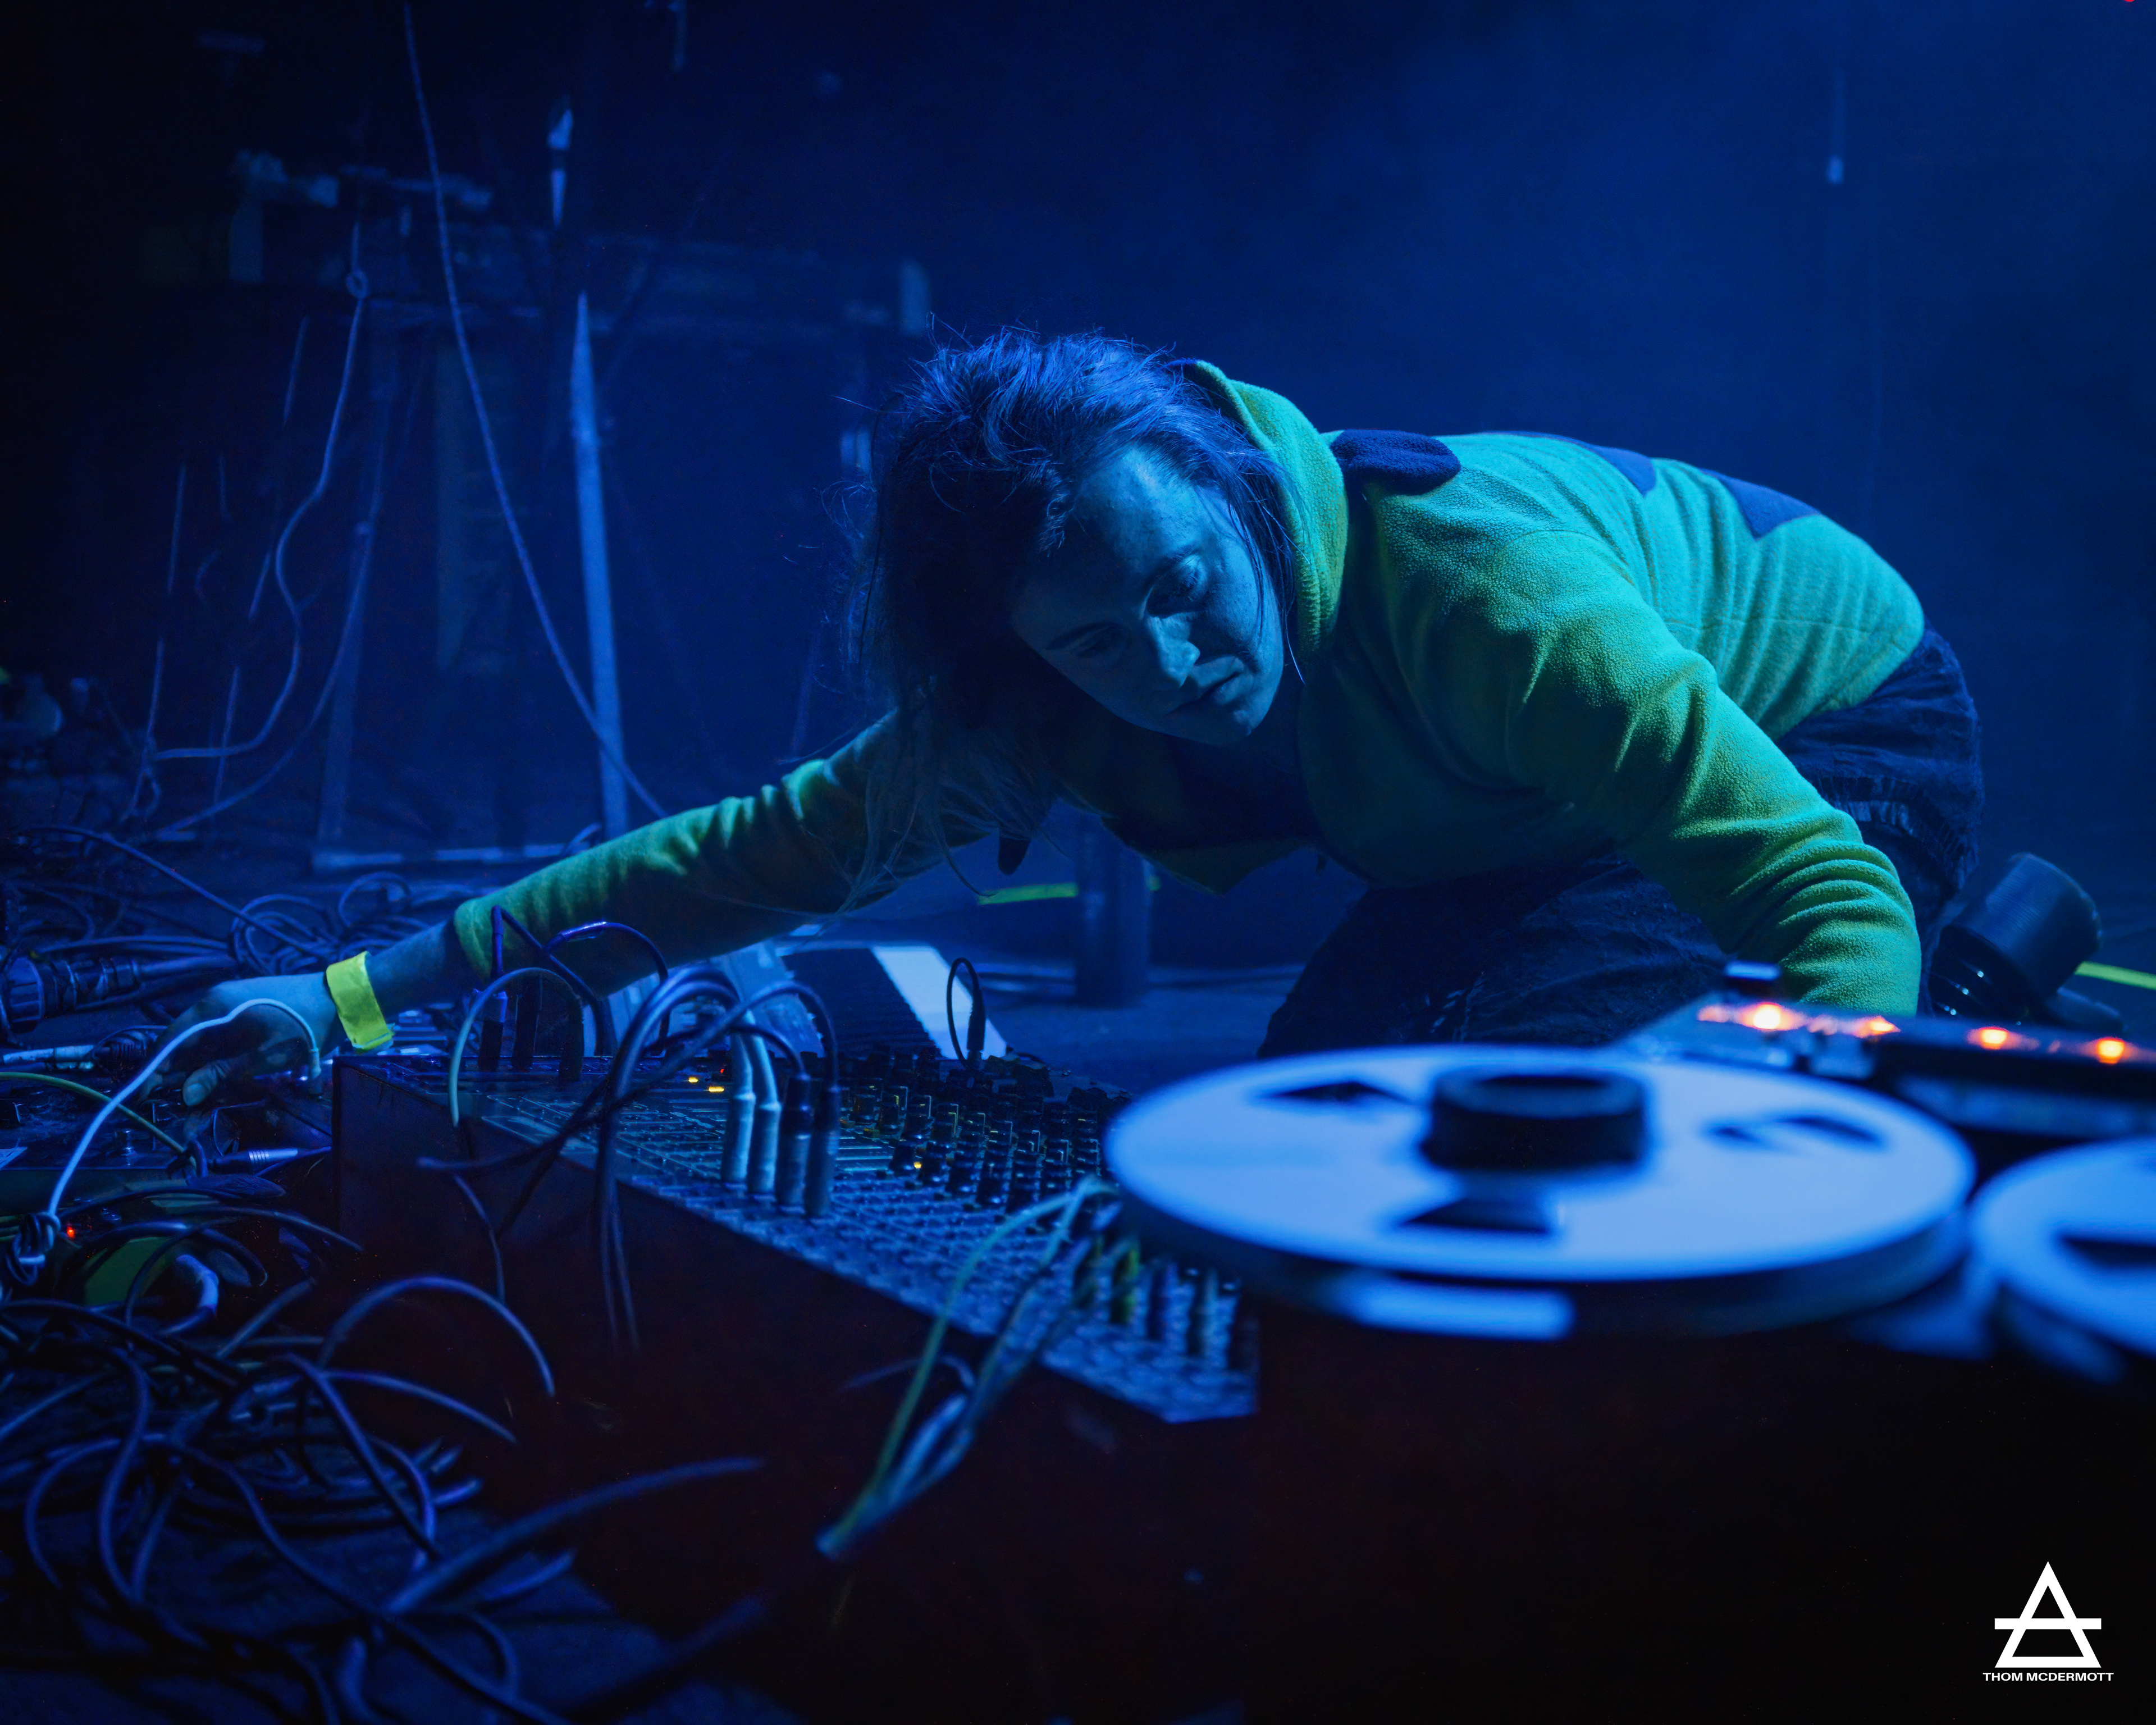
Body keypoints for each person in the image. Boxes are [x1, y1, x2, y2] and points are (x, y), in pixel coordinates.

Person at [162, 329, 1981, 1099]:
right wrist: (351, 998)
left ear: (1243, 498)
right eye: (1102, 645)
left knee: (1546, 1115)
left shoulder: (1486, 598)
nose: (1177, 664)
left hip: (1836, 723)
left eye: (1189, 584)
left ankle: (1973, 997)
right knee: (1316, 1112)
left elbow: (1819, 892)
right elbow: (749, 860)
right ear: (1029, 663)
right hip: (1530, 820)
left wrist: (1800, 1137)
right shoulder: (1038, 704)